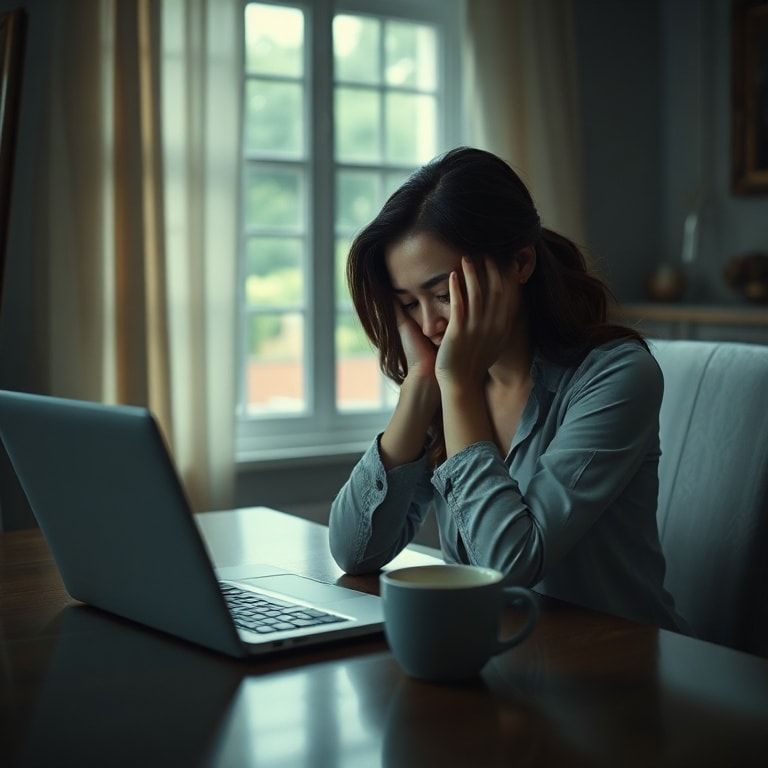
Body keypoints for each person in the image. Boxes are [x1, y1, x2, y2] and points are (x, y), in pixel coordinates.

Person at [329, 147, 686, 632]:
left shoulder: (617, 377)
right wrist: (419, 387)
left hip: (612, 668)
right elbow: (354, 552)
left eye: (441, 295)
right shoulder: (443, 380)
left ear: (520, 262)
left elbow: (507, 568)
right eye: (408, 304)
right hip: (492, 659)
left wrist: (455, 387)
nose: (429, 323)